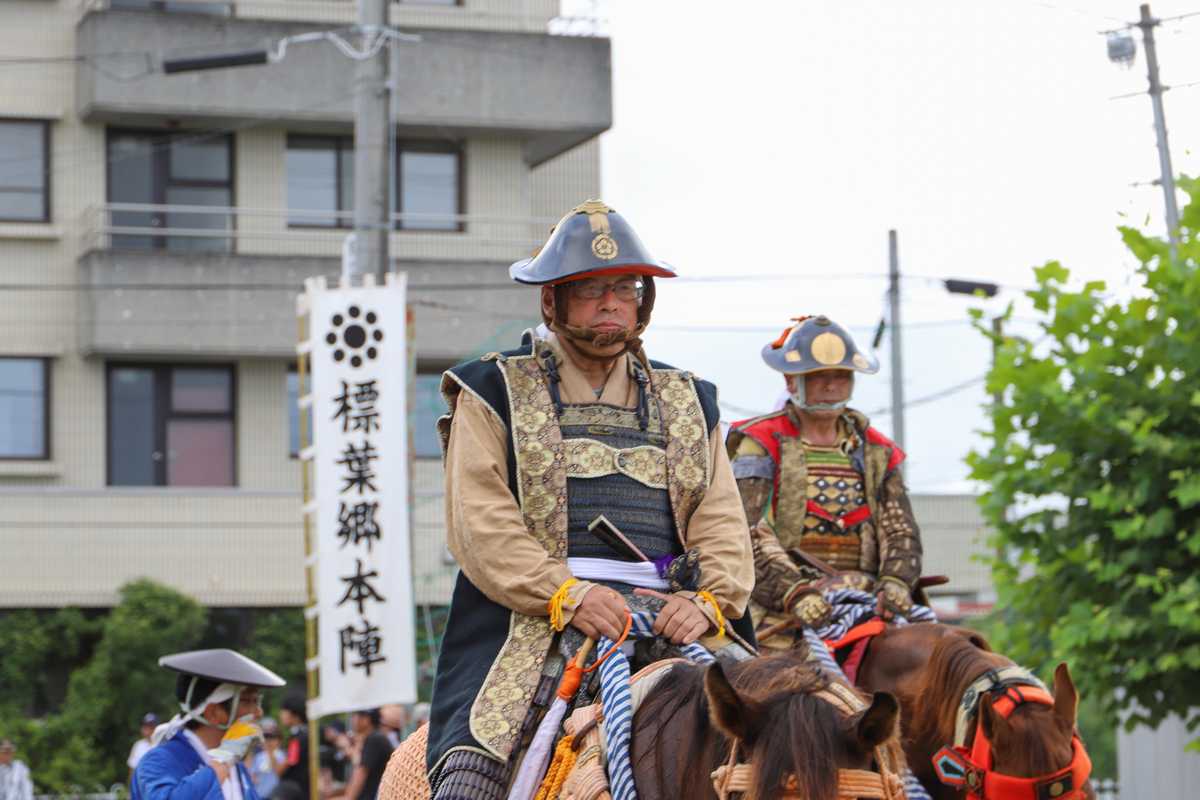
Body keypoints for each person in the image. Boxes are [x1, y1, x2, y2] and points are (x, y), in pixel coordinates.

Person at [425, 200, 755, 798]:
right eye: (589, 289)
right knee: (471, 779)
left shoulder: (689, 400)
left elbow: (722, 520)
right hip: (536, 625)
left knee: (797, 731)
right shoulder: (491, 388)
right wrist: (565, 594)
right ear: (550, 300)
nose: (610, 303)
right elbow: (480, 521)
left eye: (625, 289)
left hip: (676, 618)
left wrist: (707, 603)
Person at [726, 315, 923, 648]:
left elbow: (899, 528)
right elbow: (744, 531)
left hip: (869, 603)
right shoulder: (759, 441)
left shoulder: (877, 449)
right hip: (780, 610)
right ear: (791, 381)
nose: (831, 386)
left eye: (841, 377)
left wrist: (896, 582)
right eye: (818, 377)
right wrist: (794, 592)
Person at [131, 649, 286, 800]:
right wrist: (221, 761)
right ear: (213, 712)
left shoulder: (235, 766)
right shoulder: (160, 760)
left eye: (257, 702)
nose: (258, 713)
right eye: (247, 701)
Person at [333, 710, 390, 800]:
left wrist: (348, 797)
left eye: (356, 715)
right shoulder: (375, 737)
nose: (353, 719)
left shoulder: (374, 739)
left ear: (366, 719)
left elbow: (361, 771)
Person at [273, 695, 309, 800]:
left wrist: (269, 751)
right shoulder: (307, 734)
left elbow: (281, 769)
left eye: (284, 712)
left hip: (294, 791)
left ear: (295, 715)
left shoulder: (298, 738)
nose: (281, 715)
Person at [246, 718, 283, 799]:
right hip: (260, 795)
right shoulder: (259, 756)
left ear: (279, 740)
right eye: (266, 737)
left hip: (276, 796)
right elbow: (252, 775)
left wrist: (271, 753)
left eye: (272, 737)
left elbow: (279, 771)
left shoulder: (281, 755)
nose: (268, 741)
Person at [128, 713, 159, 781]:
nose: (147, 728)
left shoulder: (162, 744)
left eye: (151, 726)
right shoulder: (138, 745)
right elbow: (132, 769)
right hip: (141, 786)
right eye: (145, 725)